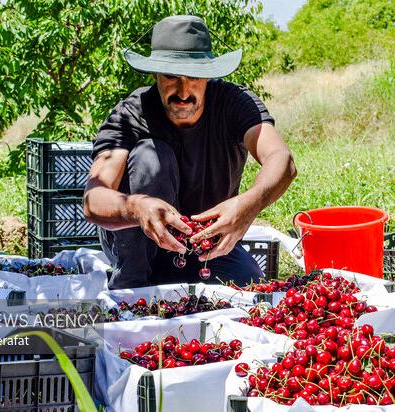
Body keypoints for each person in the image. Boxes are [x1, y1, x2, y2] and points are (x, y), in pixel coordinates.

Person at [83, 15, 296, 289]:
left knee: (249, 288)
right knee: (152, 153)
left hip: (207, 243)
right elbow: (94, 198)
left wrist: (248, 204)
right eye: (171, 76)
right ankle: (132, 284)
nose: (183, 91)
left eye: (195, 76)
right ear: (156, 74)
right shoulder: (132, 113)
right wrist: (137, 208)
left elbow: (281, 159)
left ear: (208, 75)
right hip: (141, 246)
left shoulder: (235, 104)